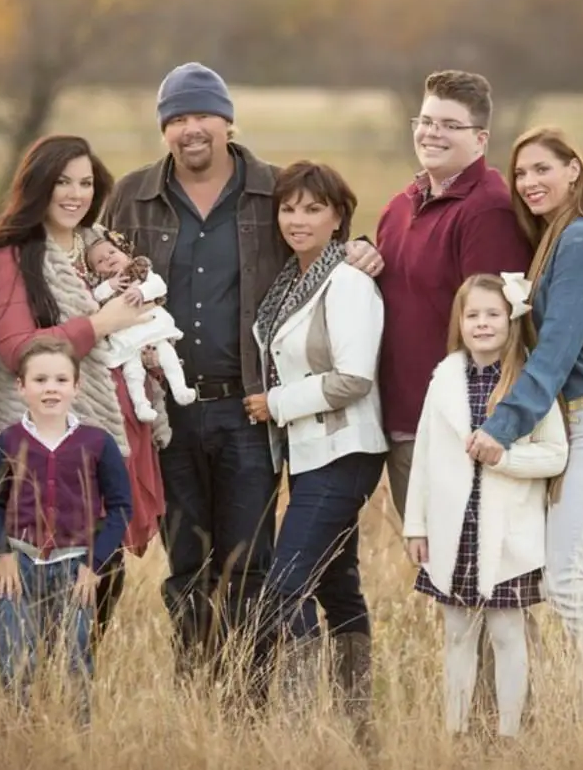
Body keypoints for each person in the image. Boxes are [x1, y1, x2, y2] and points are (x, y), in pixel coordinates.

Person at [99, 61, 384, 683]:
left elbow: (325, 249)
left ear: (227, 120)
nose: (189, 129)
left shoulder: (273, 191)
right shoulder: (132, 195)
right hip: (168, 411)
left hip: (248, 410)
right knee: (187, 564)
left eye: (201, 114)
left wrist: (364, 250)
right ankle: (200, 688)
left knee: (251, 561)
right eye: (176, 119)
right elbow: (97, 275)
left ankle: (249, 699)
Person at [374, 69, 537, 721]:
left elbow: (498, 328)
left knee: (490, 586)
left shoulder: (488, 209)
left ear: (480, 137)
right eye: (425, 119)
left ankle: (512, 730)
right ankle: (467, 727)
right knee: (450, 584)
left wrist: (487, 425)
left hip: (462, 430)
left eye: (448, 124)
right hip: (402, 422)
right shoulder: (402, 201)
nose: (431, 131)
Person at [0, 134, 165, 649]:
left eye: (85, 183)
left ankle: (76, 685)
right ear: (37, 187)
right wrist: (100, 323)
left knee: (105, 565)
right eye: (62, 182)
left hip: (113, 428)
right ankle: (37, 691)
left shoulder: (97, 249)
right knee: (51, 573)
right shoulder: (13, 257)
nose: (74, 194)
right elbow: (17, 350)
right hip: (51, 439)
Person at [467, 126, 583, 723]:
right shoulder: (558, 241)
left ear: (574, 170)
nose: (529, 182)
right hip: (575, 427)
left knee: (565, 584)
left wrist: (503, 425)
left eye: (542, 169)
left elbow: (558, 350)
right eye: (520, 173)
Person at [245, 161, 387, 741]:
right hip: (307, 456)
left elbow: (354, 377)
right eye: (288, 208)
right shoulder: (290, 280)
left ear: (338, 219)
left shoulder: (349, 282)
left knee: (285, 585)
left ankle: (302, 726)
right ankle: (359, 724)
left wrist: (274, 404)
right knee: (336, 582)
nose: (297, 219)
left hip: (344, 451)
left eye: (312, 209)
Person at [404, 273, 568, 739]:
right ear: (459, 321)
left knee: (506, 634)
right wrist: (416, 525)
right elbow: (424, 455)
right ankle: (454, 732)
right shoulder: (444, 380)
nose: (481, 324)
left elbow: (556, 453)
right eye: (472, 314)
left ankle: (509, 734)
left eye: (493, 314)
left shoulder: (529, 382)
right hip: (455, 532)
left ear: (511, 320)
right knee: (457, 635)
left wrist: (506, 458)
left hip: (507, 534)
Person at [0, 338, 132, 725]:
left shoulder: (98, 443)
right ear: (21, 386)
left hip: (75, 566)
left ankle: (75, 736)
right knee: (15, 656)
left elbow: (120, 509)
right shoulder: (7, 442)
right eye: (41, 379)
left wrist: (94, 565)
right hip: (20, 567)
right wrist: (1, 555)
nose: (51, 388)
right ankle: (19, 734)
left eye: (61, 379)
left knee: (76, 655)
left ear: (76, 386)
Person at [86, 231, 197, 418]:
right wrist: (110, 285)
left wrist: (142, 292)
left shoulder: (140, 273)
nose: (108, 259)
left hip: (152, 330)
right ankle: (141, 406)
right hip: (127, 338)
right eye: (100, 261)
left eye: (112, 252)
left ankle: (179, 388)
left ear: (125, 254)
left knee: (169, 356)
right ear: (96, 271)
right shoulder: (103, 284)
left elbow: (159, 285)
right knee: (132, 372)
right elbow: (96, 297)